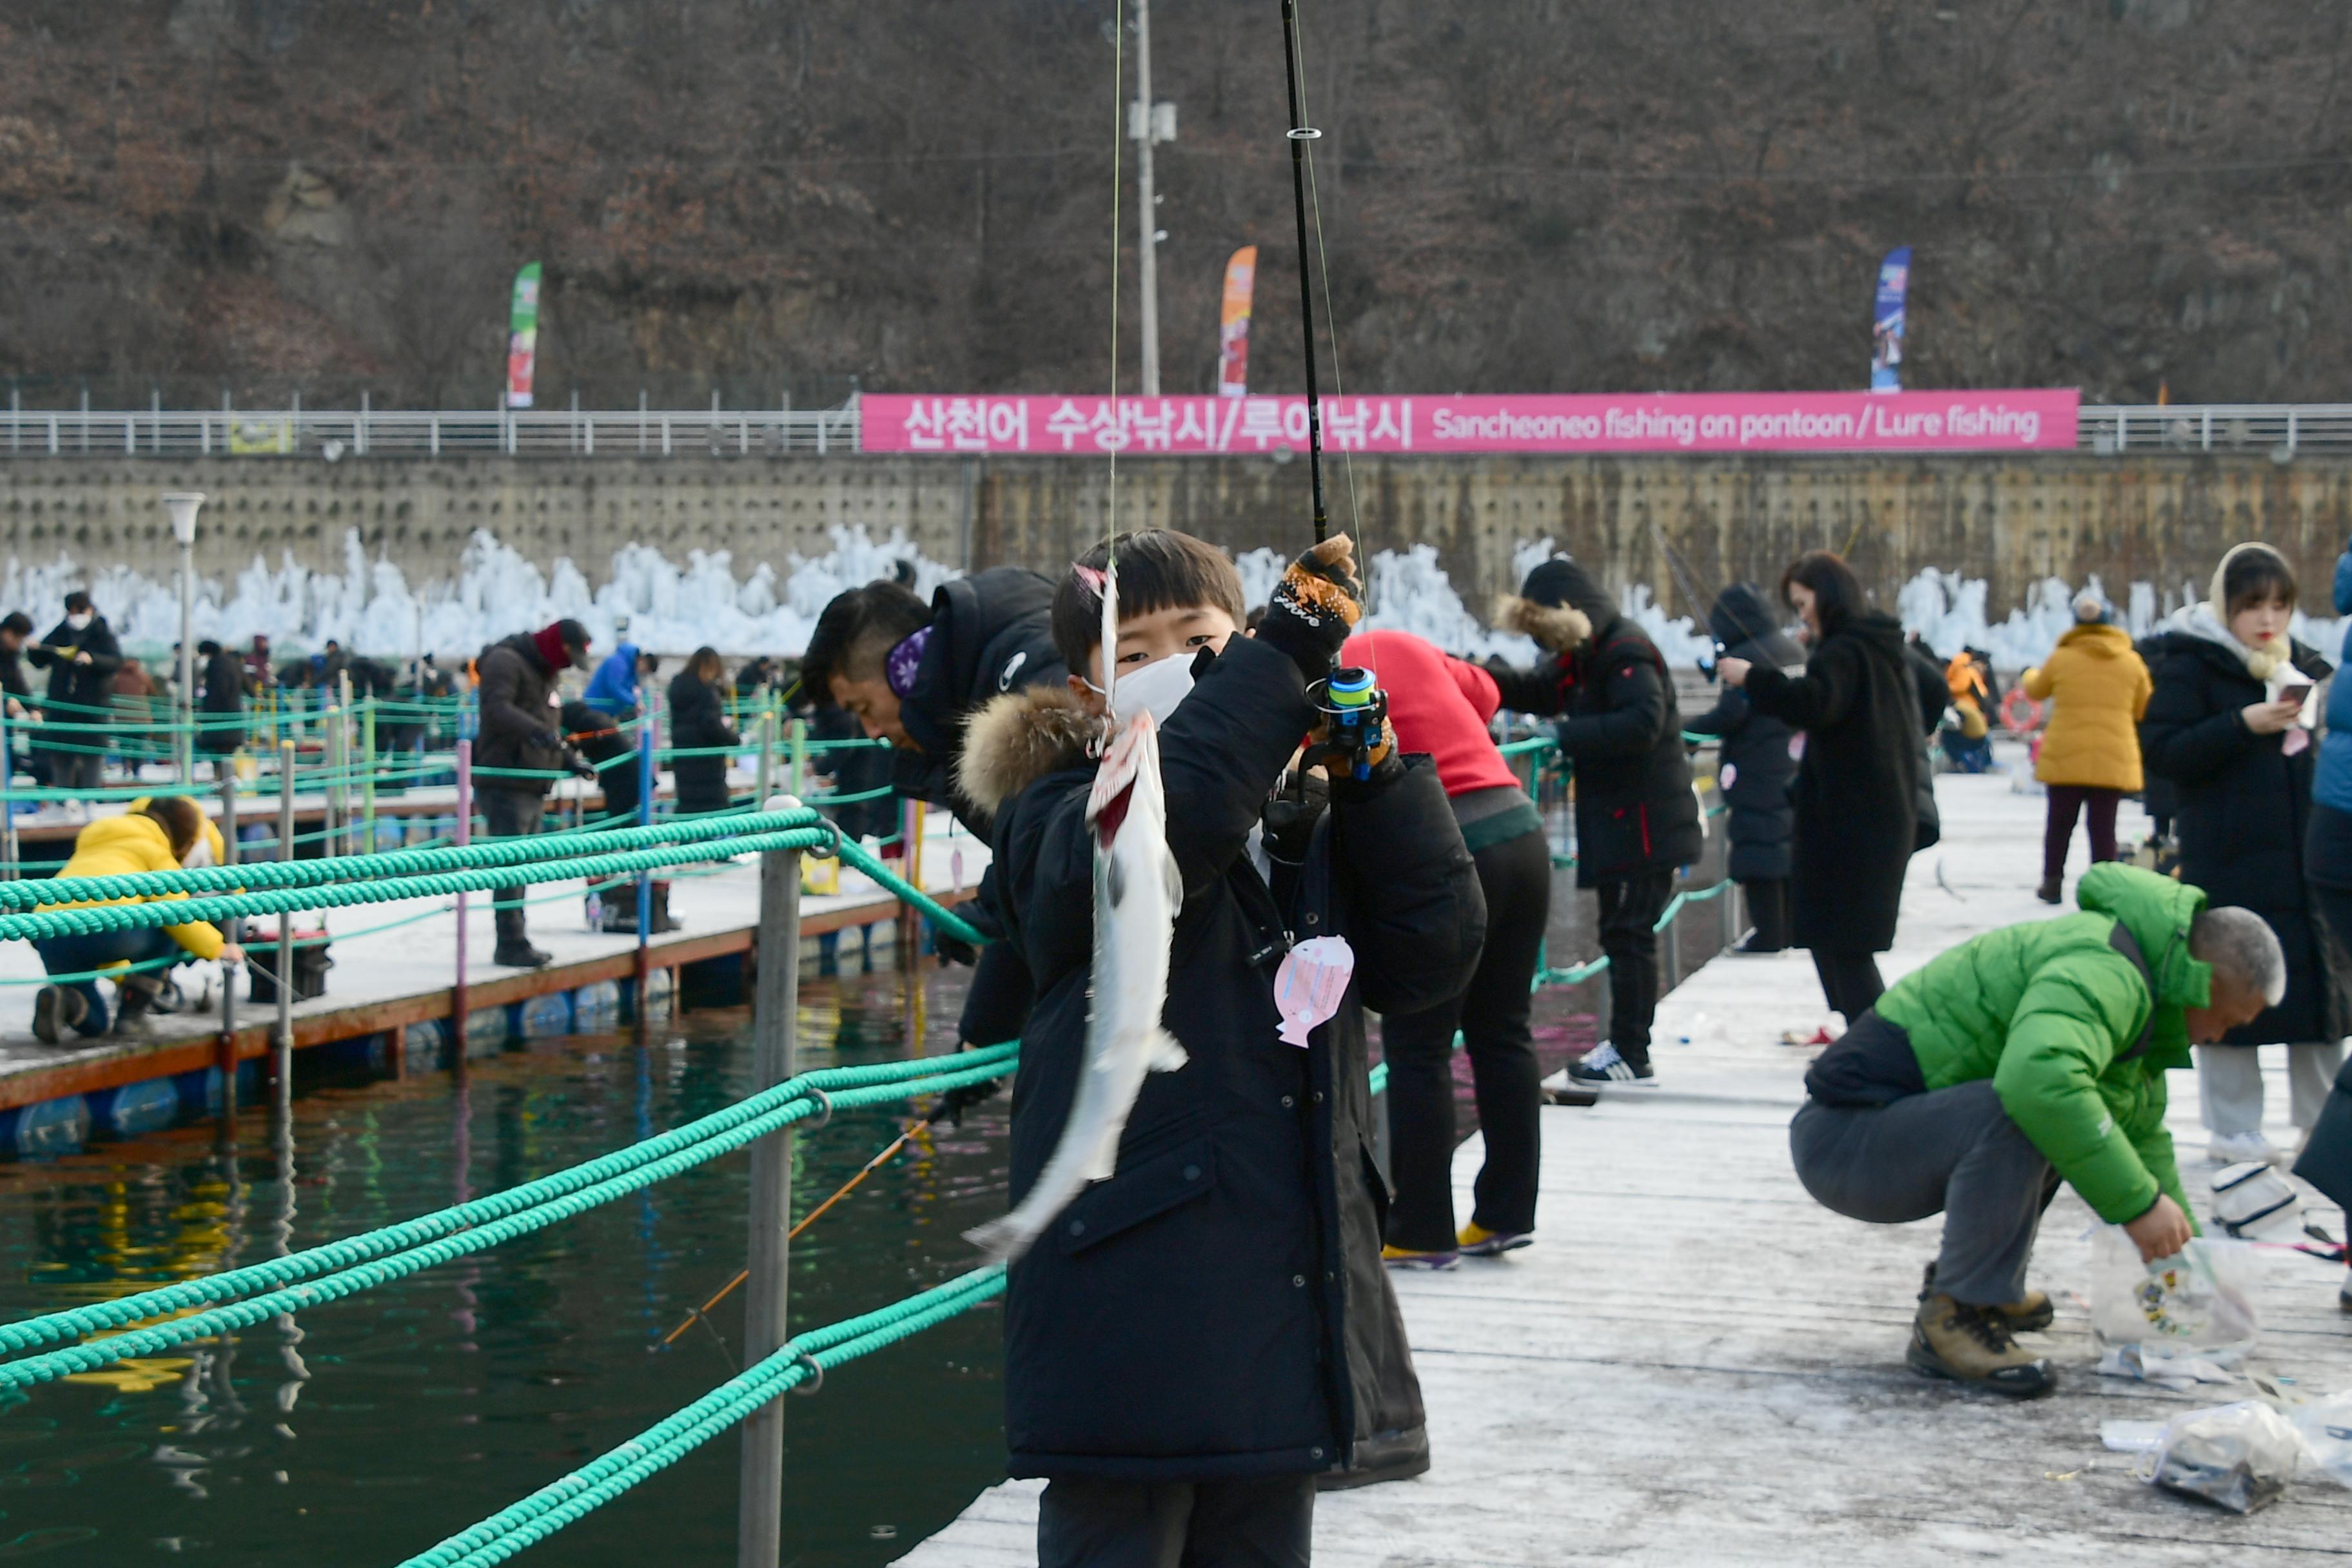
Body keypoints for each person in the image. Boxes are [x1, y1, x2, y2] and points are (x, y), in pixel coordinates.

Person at [959, 529, 1479, 1560]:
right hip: (1128, 1301)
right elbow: (1163, 827)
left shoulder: (1301, 802)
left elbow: (1431, 961)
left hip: (1282, 1292)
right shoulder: (1057, 812)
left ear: (1229, 638)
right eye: (1136, 652)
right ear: (1088, 690)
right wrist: (1280, 662)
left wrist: (1377, 779)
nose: (1172, 668)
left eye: (1196, 638)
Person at [1790, 862, 2278, 1395]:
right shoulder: (2107, 971)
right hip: (1844, 1141)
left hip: (1892, 1133)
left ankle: (1986, 1287)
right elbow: (2038, 1083)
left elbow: (2142, 1144)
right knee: (2035, 1107)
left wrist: (2198, 1273)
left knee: (2074, 1122)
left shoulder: (2145, 998)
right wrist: (2139, 1207)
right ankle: (1956, 1313)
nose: (2216, 1039)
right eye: (2227, 1022)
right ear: (2203, 984)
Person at [1343, 627, 1547, 1269]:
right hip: (1519, 828)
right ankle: (1505, 1214)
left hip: (1446, 843)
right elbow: (1485, 694)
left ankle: (1420, 1227)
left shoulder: (1310, 680)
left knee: (1419, 1045)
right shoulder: (1394, 641)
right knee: (1504, 1029)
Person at [804, 566, 1066, 1061]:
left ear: (907, 667)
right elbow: (1033, 873)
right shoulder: (986, 678)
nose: (870, 731)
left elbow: (1059, 821)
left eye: (862, 706)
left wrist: (990, 906)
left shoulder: (1031, 664)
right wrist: (982, 1036)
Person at [2141, 542, 2345, 1166]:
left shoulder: (2304, 667)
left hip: (2300, 857)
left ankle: (2323, 1125)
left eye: (2280, 604)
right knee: (2227, 986)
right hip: (2226, 855)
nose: (2268, 618)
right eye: (2254, 603)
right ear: (2226, 603)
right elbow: (2164, 752)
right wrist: (2240, 725)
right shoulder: (2188, 664)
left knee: (2318, 998)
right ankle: (2233, 1129)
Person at [1487, 557, 1701, 1088]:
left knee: (1629, 935)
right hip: (1629, 821)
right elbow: (1537, 689)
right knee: (1622, 933)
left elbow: (1643, 721)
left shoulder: (1624, 650)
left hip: (1643, 824)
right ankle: (1628, 1047)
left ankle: (1632, 1052)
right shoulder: (1588, 655)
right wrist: (1472, 677)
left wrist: (1567, 735)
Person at [1719, 551, 1937, 1034]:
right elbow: (1935, 689)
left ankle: (1880, 1044)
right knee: (1832, 936)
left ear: (1826, 596)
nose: (1802, 615)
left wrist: (1751, 677)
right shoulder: (1879, 643)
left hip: (1854, 819)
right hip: (1875, 811)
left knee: (1843, 941)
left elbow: (1815, 704)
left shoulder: (1845, 651)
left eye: (1803, 603)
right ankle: (1864, 1038)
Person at [30, 794, 242, 1043]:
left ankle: (67, 1004)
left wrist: (122, 976)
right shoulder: (154, 850)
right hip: (107, 930)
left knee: (95, 1024)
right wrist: (218, 947)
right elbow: (179, 914)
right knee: (167, 927)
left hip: (49, 933)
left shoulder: (94, 841)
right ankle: (132, 1016)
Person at [1685, 584, 1802, 955]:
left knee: (1759, 851)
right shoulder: (1792, 648)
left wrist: (1683, 731)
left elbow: (1731, 714)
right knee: (1785, 850)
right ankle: (1789, 931)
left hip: (1757, 770)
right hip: (1793, 765)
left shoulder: (1747, 657)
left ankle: (1768, 936)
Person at [475, 620, 597, 968]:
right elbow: (497, 709)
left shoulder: (546, 672)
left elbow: (549, 727)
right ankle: (510, 943)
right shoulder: (505, 661)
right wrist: (537, 733)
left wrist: (570, 761)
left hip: (532, 784)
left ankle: (516, 938)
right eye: (569, 657)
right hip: (505, 782)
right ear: (558, 647)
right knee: (510, 867)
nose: (569, 665)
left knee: (521, 867)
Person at [2020, 592, 2151, 904]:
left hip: (2066, 753)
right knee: (2103, 827)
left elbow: (2037, 690)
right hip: (2112, 753)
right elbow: (2143, 706)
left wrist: (2028, 674)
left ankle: (2052, 884)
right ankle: (2104, 890)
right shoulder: (2131, 662)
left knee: (2059, 824)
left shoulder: (2062, 657)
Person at [28, 591, 122, 794]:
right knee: (61, 757)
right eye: (71, 611)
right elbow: (42, 659)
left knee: (92, 757)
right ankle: (63, 801)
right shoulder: (61, 633)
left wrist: (93, 660)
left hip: (94, 709)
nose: (75, 616)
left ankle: (90, 800)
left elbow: (115, 661)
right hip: (62, 708)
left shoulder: (102, 633)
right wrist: (34, 651)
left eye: (79, 610)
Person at [667, 647, 740, 817]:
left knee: (688, 807)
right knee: (714, 810)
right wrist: (733, 738)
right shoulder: (707, 692)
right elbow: (711, 725)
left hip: (683, 756)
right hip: (708, 763)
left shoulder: (677, 687)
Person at [195, 640, 248, 759]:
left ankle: (220, 775)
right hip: (234, 717)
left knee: (218, 755)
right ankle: (225, 775)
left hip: (217, 720)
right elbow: (248, 685)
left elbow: (216, 693)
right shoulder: (234, 663)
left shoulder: (214, 666)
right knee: (228, 756)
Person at [584, 632, 651, 718]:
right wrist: (634, 702)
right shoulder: (619, 663)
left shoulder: (630, 668)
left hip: (606, 712)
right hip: (596, 709)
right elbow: (615, 687)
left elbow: (632, 688)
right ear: (642, 660)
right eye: (646, 669)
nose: (643, 672)